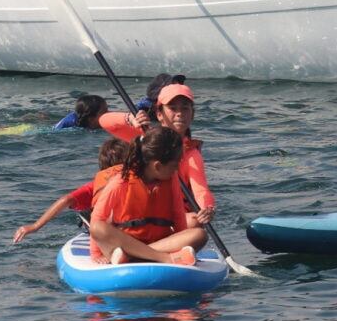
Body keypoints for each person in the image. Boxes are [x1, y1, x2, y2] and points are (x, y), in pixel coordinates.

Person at [89, 126, 209, 266]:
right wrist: (96, 253)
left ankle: (132, 257)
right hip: (126, 241)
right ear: (157, 166)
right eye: (174, 165)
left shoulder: (172, 179)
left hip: (156, 243)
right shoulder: (121, 181)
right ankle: (164, 258)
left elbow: (178, 215)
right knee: (98, 228)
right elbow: (97, 217)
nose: (177, 169)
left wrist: (181, 239)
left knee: (200, 234)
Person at [98, 79, 216, 223]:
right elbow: (104, 120)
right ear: (159, 114)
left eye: (185, 108)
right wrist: (130, 118)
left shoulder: (192, 155)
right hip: (136, 210)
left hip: (168, 217)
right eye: (172, 108)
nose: (179, 113)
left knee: (193, 220)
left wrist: (206, 209)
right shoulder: (146, 137)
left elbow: (201, 189)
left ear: (192, 114)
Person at [12, 138, 131, 244]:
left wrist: (35, 226)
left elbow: (66, 200)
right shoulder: (141, 179)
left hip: (107, 233)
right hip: (134, 228)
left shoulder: (97, 185)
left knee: (91, 214)